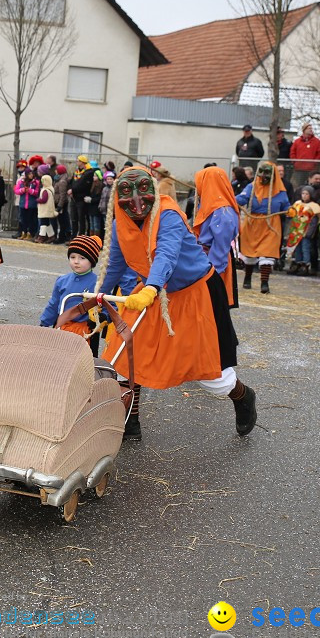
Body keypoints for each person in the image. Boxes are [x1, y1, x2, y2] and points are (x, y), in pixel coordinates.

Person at [95, 166, 257, 441]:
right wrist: (100, 296)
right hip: (151, 291)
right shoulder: (119, 221)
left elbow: (166, 256)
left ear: (154, 191)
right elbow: (116, 263)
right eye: (126, 193)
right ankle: (129, 422)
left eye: (143, 191)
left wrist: (151, 288)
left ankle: (242, 396)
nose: (135, 201)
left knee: (203, 368)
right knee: (125, 354)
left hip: (192, 294)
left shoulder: (167, 214)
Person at [39, 234, 102, 358]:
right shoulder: (62, 280)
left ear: (92, 260)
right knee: (58, 359)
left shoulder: (98, 283)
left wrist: (104, 317)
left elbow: (108, 304)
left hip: (86, 331)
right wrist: (44, 322)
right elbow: (54, 303)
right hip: (62, 327)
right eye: (72, 257)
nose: (76, 261)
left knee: (83, 362)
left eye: (82, 258)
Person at [236, 162, 289, 294]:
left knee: (268, 252)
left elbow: (286, 205)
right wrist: (230, 200)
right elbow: (242, 198)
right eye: (262, 172)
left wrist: (291, 210)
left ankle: (264, 282)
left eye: (267, 173)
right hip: (252, 223)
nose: (264, 176)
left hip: (271, 225)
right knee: (250, 252)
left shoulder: (280, 191)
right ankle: (247, 278)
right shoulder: (251, 187)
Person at [192, 167, 240, 307]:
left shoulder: (222, 212)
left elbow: (220, 248)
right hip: (204, 260)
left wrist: (211, 276)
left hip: (213, 263)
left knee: (212, 308)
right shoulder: (211, 206)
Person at [287, 187, 320, 276]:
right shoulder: (297, 204)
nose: (304, 196)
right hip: (296, 231)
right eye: (303, 194)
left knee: (305, 248)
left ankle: (306, 265)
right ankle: (298, 263)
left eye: (307, 194)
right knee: (297, 248)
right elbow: (291, 214)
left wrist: (310, 232)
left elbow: (315, 221)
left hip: (305, 231)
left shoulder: (314, 206)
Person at [14, 168, 40, 240]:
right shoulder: (21, 182)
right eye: (29, 174)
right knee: (23, 220)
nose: (31, 175)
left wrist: (30, 191)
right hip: (23, 204)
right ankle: (23, 232)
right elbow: (16, 190)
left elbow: (37, 192)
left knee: (31, 220)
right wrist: (22, 190)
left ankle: (30, 233)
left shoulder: (36, 182)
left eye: (32, 174)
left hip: (32, 205)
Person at [36, 172, 56, 243]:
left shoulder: (45, 190)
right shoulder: (51, 188)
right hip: (48, 209)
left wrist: (38, 200)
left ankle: (41, 236)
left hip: (44, 209)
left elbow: (44, 199)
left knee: (43, 223)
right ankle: (51, 236)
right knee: (47, 223)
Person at [53, 164, 71, 243]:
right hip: (57, 201)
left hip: (61, 203)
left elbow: (62, 195)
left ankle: (62, 237)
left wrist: (60, 206)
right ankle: (63, 235)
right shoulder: (59, 179)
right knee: (62, 220)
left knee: (62, 221)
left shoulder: (62, 181)